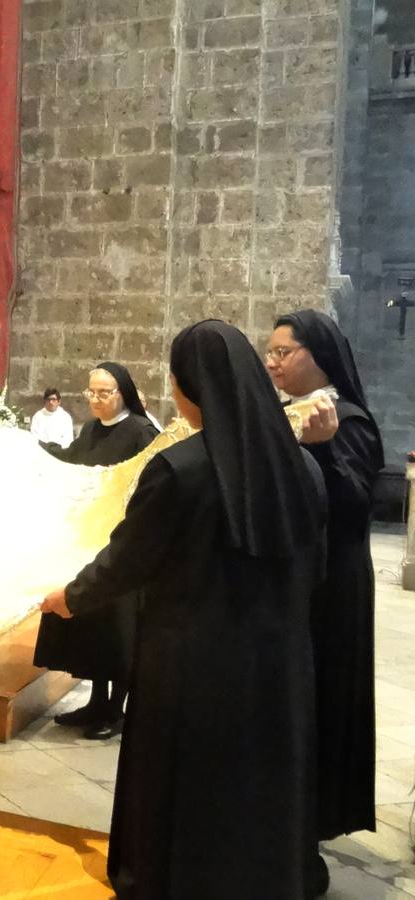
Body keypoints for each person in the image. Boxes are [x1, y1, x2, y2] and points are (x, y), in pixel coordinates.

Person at [41, 320, 328, 899]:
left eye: (174, 381)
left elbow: (128, 560)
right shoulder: (304, 467)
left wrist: (68, 599)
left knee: (188, 781)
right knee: (260, 775)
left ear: (191, 387)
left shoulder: (180, 469)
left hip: (192, 660)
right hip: (278, 658)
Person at [267, 310, 383, 883]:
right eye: (270, 353)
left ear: (318, 356)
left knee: (320, 706)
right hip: (290, 586)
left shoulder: (350, 420)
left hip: (331, 592)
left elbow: (357, 508)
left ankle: (306, 840)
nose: (272, 362)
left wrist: (328, 451)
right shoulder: (282, 414)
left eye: (283, 352)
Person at [35, 362, 157, 739]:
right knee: (90, 625)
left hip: (122, 542)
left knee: (117, 627)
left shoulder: (141, 431)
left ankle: (115, 709)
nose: (96, 400)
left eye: (105, 393)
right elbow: (74, 462)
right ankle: (95, 702)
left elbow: (150, 480)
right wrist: (38, 450)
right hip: (89, 539)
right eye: (91, 392)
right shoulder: (89, 430)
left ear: (123, 393)